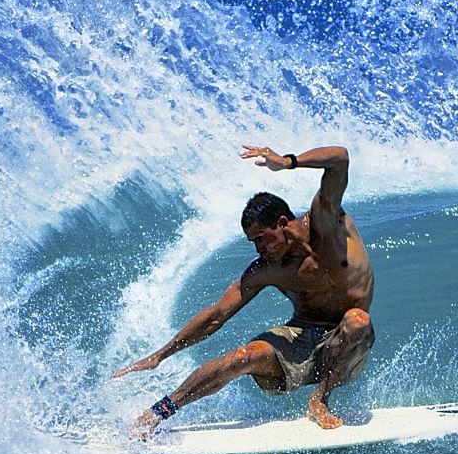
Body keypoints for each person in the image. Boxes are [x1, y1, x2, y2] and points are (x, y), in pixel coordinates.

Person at [112, 144, 375, 438]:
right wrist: (161, 355)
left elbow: (340, 158)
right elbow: (216, 315)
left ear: (283, 223)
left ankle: (320, 400)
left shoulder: (326, 220)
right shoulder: (267, 269)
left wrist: (288, 162)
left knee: (357, 320)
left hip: (348, 347)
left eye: (262, 238)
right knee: (243, 357)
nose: (259, 249)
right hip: (302, 338)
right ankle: (156, 414)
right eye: (253, 242)